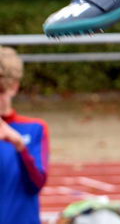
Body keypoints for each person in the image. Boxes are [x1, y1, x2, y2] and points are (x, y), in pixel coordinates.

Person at [0, 46, 49, 224]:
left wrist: (20, 146)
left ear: (14, 87)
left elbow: (36, 184)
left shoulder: (35, 128)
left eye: (0, 91)